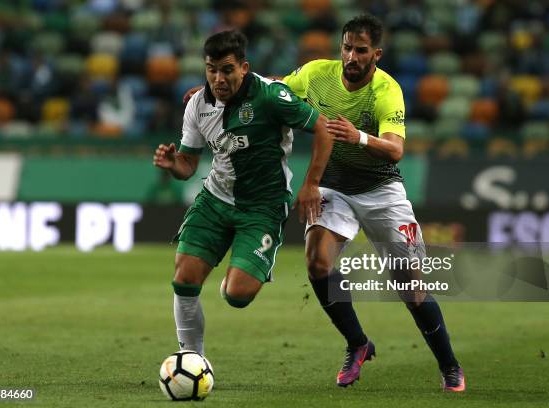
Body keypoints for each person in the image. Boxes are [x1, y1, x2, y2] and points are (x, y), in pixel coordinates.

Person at [182, 16, 464, 392]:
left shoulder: (387, 89)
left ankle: (449, 366)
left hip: (382, 191)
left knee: (410, 285)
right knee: (317, 262)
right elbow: (270, 89)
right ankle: (358, 344)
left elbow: (396, 149)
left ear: (376, 54)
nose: (351, 56)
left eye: (361, 50)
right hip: (334, 187)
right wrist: (215, 90)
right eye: (347, 47)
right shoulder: (316, 73)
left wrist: (358, 136)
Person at [154, 30, 332, 358]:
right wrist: (171, 164)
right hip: (216, 198)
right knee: (184, 278)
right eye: (211, 70)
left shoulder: (270, 97)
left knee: (238, 295)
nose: (218, 78)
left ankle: (243, 271)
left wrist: (311, 184)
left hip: (262, 206)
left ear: (243, 68)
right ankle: (192, 361)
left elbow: (323, 128)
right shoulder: (197, 105)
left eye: (226, 70)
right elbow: (188, 165)